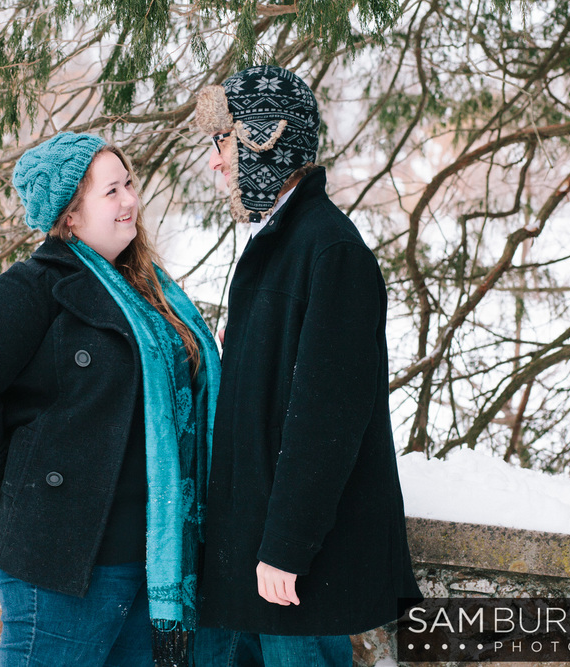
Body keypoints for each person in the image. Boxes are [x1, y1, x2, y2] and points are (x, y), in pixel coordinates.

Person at [0, 132, 220, 667]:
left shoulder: (152, 292)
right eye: (111, 191)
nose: (130, 199)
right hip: (65, 555)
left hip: (155, 554)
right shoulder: (32, 287)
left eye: (129, 184)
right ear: (70, 215)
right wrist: (15, 479)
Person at [190, 65, 423, 666]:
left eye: (223, 143)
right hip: (253, 560)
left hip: (294, 573)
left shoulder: (330, 250)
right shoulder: (277, 242)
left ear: (263, 141)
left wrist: (288, 547)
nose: (215, 162)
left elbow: (327, 419)